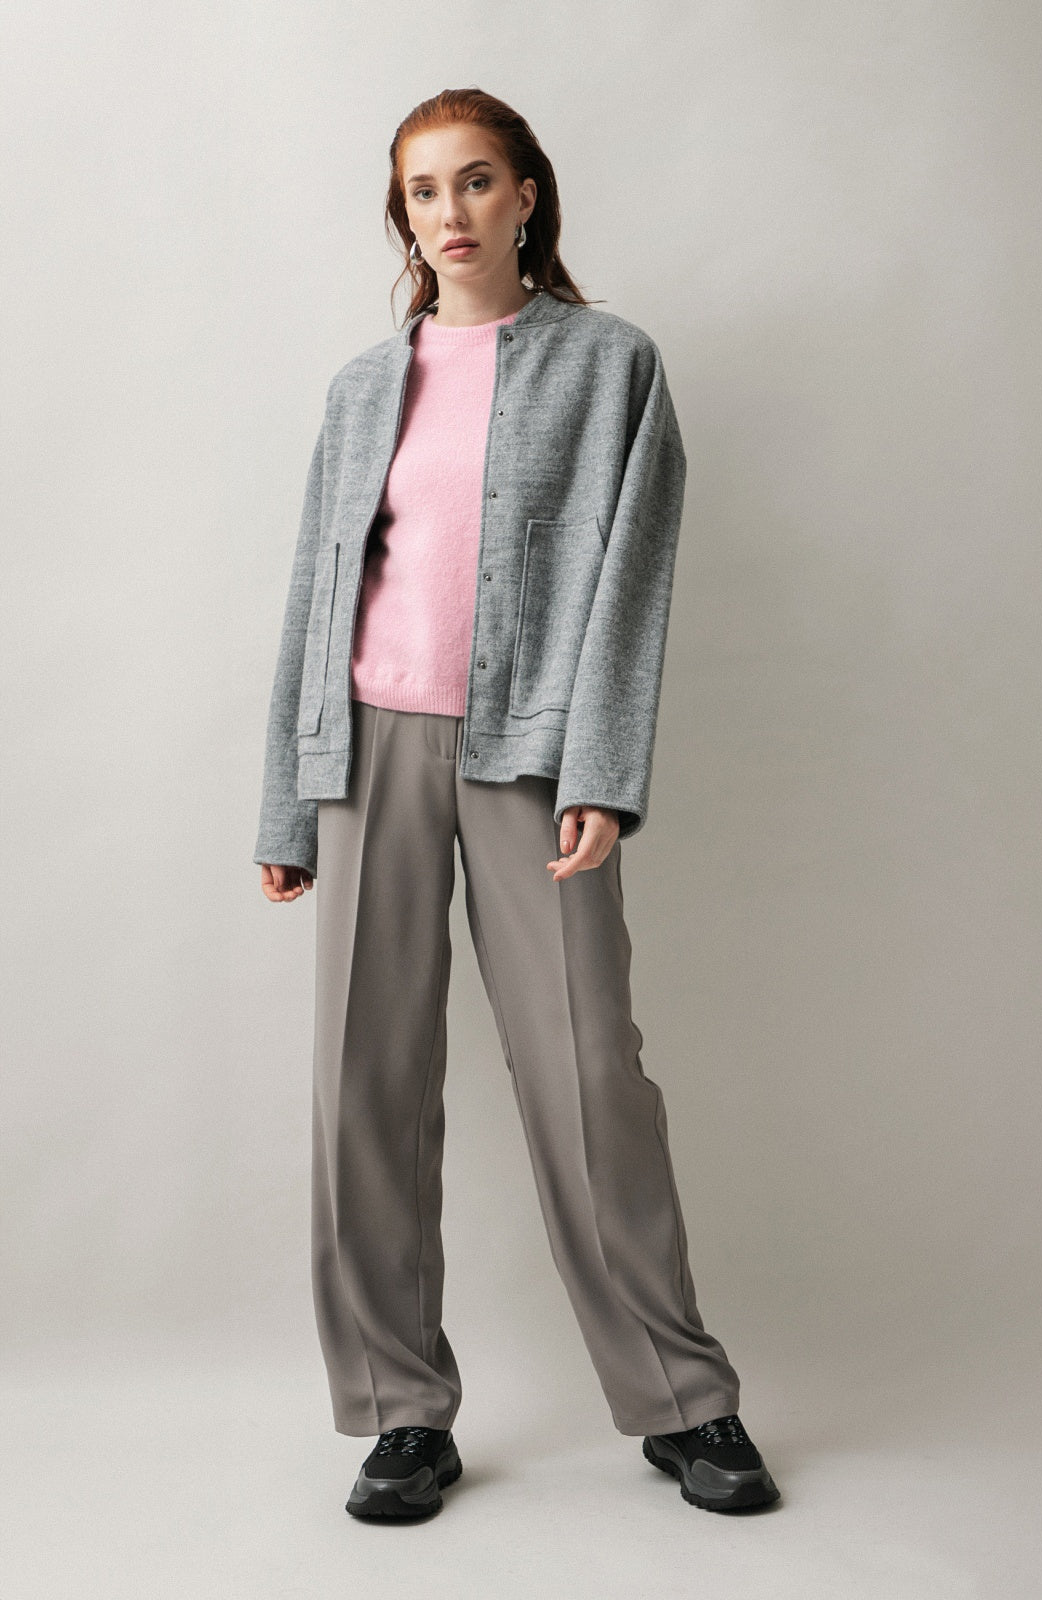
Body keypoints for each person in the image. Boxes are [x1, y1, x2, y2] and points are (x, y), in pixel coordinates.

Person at [252, 87, 779, 1520]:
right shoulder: (362, 387)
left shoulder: (612, 366)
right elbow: (317, 593)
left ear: (527, 194)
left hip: (530, 757)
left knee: (590, 1071)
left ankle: (683, 1398)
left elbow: (631, 580)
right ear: (404, 215)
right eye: (424, 191)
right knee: (363, 1084)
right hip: (366, 750)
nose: (452, 212)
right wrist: (289, 802)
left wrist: (600, 771)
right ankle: (400, 1412)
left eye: (477, 181)